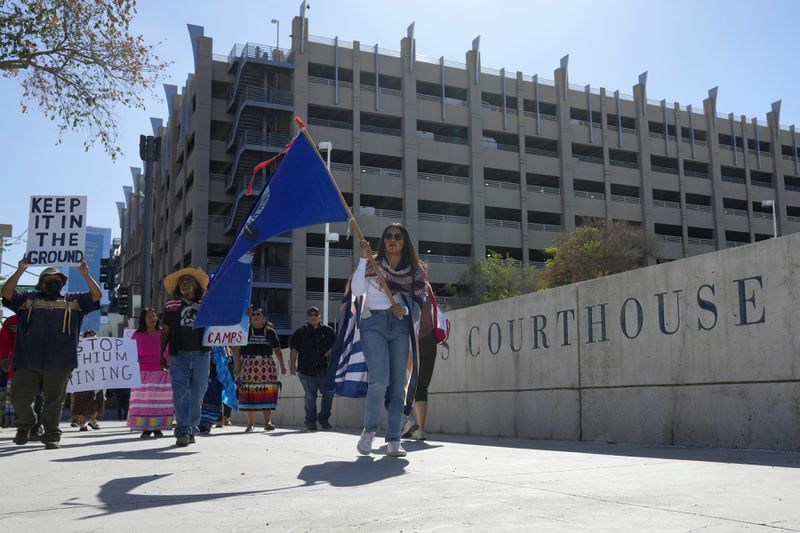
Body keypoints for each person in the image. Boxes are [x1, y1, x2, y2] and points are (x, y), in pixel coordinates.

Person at [1, 259, 101, 449]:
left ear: (63, 284)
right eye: (50, 279)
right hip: (27, 360)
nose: (55, 282)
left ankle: (52, 436)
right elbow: (6, 292)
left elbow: (97, 295)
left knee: (54, 402)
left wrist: (85, 274)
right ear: (41, 283)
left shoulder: (74, 301)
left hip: (60, 362)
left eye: (58, 279)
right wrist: (20, 269)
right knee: (19, 397)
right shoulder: (27, 300)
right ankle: (26, 424)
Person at [351, 223, 429, 458]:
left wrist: (403, 311)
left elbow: (418, 303)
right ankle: (369, 430)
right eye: (388, 236)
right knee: (379, 380)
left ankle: (394, 439)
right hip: (373, 324)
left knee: (397, 386)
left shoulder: (415, 271)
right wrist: (363, 259)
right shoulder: (373, 263)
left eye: (397, 236)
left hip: (399, 327)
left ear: (405, 242)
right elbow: (356, 291)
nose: (392, 240)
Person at [161, 267, 211, 447]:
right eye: (182, 282)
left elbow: (223, 321)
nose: (185, 284)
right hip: (178, 354)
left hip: (202, 354)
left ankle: (191, 427)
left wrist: (243, 315)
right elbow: (165, 331)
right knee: (180, 392)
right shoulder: (171, 306)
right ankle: (182, 430)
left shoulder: (207, 304)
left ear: (197, 285)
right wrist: (161, 353)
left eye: (189, 280)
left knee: (198, 393)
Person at [233, 308, 286, 432]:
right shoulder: (244, 330)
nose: (256, 316)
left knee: (267, 393)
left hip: (266, 366)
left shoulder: (270, 332)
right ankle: (250, 424)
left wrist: (282, 365)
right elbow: (236, 349)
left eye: (259, 314)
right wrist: (237, 366)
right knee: (248, 393)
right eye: (253, 314)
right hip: (247, 365)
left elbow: (277, 350)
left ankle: (268, 422)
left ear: (264, 318)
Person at [289, 306, 335, 431]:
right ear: (307, 317)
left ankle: (324, 419)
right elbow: (294, 349)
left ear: (320, 316)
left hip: (325, 371)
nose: (313, 316)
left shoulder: (329, 331)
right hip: (306, 371)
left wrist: (330, 351)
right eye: (310, 314)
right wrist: (292, 365)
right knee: (310, 397)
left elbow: (337, 346)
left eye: (315, 314)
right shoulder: (300, 332)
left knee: (329, 395)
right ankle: (310, 422)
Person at [128, 308, 172, 438]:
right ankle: (145, 428)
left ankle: (158, 427)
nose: (153, 318)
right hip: (142, 373)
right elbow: (130, 354)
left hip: (161, 373)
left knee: (160, 402)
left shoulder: (163, 334)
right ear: (143, 320)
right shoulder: (136, 335)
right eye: (149, 316)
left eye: (154, 316)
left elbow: (169, 351)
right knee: (145, 403)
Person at [402, 331, 436, 440]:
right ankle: (421, 430)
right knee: (422, 386)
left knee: (405, 381)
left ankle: (410, 420)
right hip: (428, 337)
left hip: (409, 337)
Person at [71, 329, 105, 431]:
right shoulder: (79, 347)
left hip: (97, 379)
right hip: (83, 379)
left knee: (98, 400)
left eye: (94, 336)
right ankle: (82, 422)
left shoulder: (100, 348)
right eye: (90, 335)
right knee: (81, 400)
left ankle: (93, 420)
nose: (92, 337)